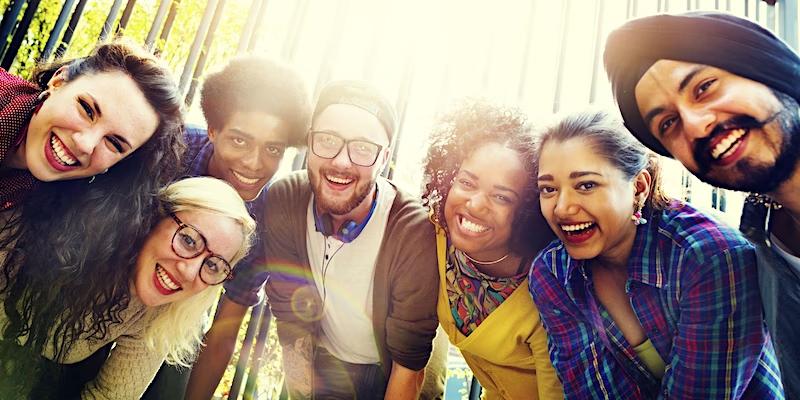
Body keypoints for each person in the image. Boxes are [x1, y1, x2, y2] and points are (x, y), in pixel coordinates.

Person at [604, 12, 800, 397]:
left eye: (704, 87)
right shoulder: (760, 241)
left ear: (767, 68)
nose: (695, 125)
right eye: (667, 124)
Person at [528, 109, 783, 399]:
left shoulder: (709, 258)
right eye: (548, 189)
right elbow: (588, 390)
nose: (562, 208)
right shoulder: (552, 273)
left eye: (586, 185)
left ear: (639, 187)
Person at [142, 57, 311, 400]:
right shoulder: (169, 150)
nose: (254, 162)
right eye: (239, 141)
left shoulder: (266, 219)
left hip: (177, 322)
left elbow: (223, 331)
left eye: (272, 149)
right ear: (213, 130)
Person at [0, 176, 256, 399]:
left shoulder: (161, 315)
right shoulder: (71, 233)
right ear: (156, 216)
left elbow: (110, 396)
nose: (189, 272)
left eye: (213, 266)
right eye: (188, 240)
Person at [262, 80, 439, 399]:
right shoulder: (285, 200)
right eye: (328, 140)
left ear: (384, 158)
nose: (341, 161)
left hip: (394, 371)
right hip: (326, 359)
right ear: (310, 140)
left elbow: (408, 363)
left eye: (362, 148)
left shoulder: (412, 229)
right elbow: (292, 322)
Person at [419, 100, 562, 399]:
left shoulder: (548, 287)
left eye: (501, 197)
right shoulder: (433, 238)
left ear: (527, 209)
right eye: (467, 183)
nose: (475, 204)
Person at [0, 40, 183, 210]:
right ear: (58, 82)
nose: (85, 144)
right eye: (87, 110)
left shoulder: (64, 209)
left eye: (114, 143)